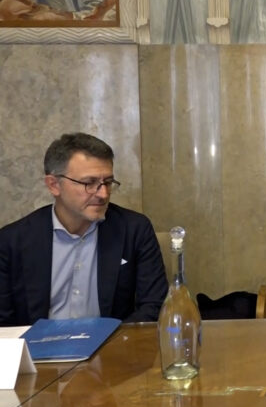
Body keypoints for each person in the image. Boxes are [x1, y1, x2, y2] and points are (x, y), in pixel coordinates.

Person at [0, 132, 168, 326]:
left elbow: (155, 305)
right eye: (89, 183)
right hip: (37, 345)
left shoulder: (134, 229)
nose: (103, 194)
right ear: (54, 185)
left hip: (112, 342)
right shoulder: (12, 241)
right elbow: (4, 323)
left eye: (108, 182)